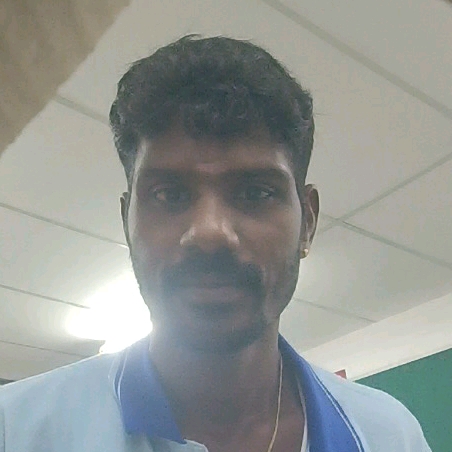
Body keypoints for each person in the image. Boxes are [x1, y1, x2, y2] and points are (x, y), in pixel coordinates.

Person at [0, 35, 431, 452]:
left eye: (256, 192)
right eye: (169, 195)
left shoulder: (389, 435)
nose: (209, 233)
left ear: (308, 222)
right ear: (127, 224)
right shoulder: (15, 428)